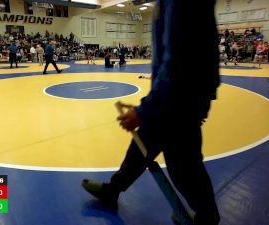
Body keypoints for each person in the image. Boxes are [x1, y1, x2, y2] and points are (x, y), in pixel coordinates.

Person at [82, 1, 221, 225]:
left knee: (183, 165)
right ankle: (113, 190)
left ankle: (207, 217)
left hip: (178, 98)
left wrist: (146, 109)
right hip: (179, 96)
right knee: (141, 147)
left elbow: (180, 57)